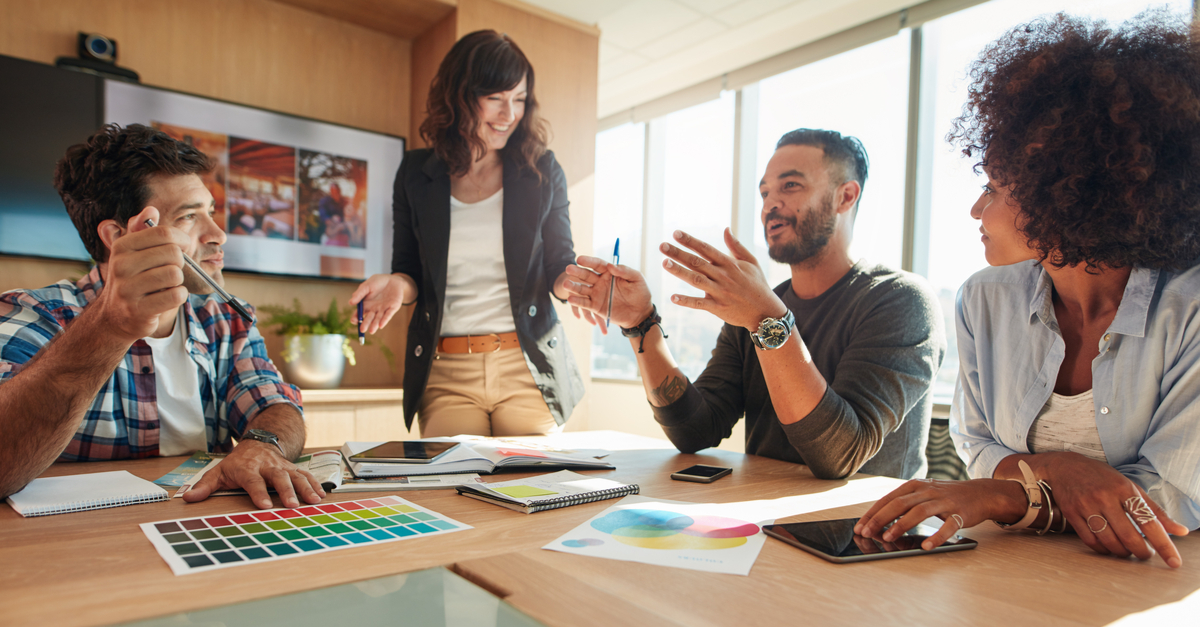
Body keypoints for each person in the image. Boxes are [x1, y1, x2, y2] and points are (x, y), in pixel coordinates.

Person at [855, 11, 1198, 569]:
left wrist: (1010, 494)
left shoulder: (1191, 309)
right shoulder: (982, 300)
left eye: (993, 187)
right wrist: (1064, 472)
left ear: (1069, 189)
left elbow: (1172, 496)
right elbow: (978, 445)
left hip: (1152, 588)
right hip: (1010, 575)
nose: (975, 209)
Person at [565, 129, 946, 480]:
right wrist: (641, 323)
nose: (770, 205)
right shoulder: (757, 308)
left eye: (791, 186)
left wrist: (766, 318)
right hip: (763, 524)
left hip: (866, 539)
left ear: (845, 196)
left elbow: (840, 454)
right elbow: (695, 430)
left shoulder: (901, 301)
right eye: (765, 192)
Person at [0, 124, 325, 509]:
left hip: (203, 525)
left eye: (211, 212)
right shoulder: (33, 314)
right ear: (120, 235)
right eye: (189, 217)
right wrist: (108, 328)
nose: (218, 234)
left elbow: (274, 404)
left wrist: (261, 445)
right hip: (79, 546)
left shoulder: (224, 317)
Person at [350, 30, 594, 437]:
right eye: (495, 98)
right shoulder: (415, 173)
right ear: (460, 96)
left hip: (527, 366)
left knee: (534, 491)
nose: (509, 114)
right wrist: (396, 284)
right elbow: (409, 271)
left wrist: (578, 282)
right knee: (451, 493)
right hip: (447, 373)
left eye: (519, 99)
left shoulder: (541, 171)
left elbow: (558, 265)